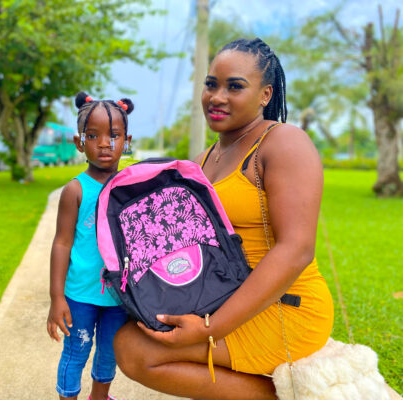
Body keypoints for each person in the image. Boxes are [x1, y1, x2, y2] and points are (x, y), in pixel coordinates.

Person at [113, 38, 334, 399]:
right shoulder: (203, 159)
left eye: (235, 86)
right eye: (211, 84)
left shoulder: (283, 144)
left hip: (284, 306)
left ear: (265, 94)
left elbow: (297, 250)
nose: (217, 96)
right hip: (220, 296)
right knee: (132, 331)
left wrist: (211, 328)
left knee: (136, 351)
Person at [47, 91, 133, 400]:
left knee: (109, 354)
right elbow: (62, 243)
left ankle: (100, 396)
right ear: (79, 142)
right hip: (79, 296)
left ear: (127, 140)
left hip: (118, 297)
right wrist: (57, 297)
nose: (105, 143)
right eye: (93, 135)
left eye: (114, 135)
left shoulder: (130, 186)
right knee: (76, 351)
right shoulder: (75, 190)